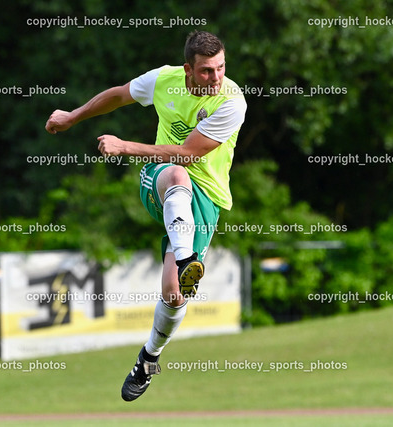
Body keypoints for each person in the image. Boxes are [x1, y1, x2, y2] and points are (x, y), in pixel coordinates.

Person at [45, 30, 246, 401]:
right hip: (161, 179)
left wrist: (124, 146)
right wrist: (73, 117)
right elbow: (120, 95)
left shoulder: (232, 102)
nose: (215, 78)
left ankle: (147, 360)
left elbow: (190, 152)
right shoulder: (165, 79)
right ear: (188, 69)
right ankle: (186, 257)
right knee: (175, 173)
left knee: (173, 295)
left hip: (207, 199)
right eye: (206, 71)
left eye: (220, 68)